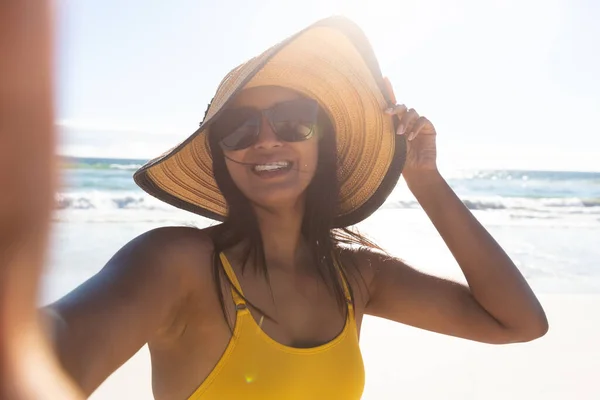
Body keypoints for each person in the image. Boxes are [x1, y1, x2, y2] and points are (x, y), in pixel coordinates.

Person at [1, 12, 547, 400]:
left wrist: (423, 178)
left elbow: (517, 323)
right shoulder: (177, 264)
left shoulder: (355, 273)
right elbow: (49, 351)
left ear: (322, 141)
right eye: (239, 127)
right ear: (221, 154)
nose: (266, 139)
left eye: (292, 120)